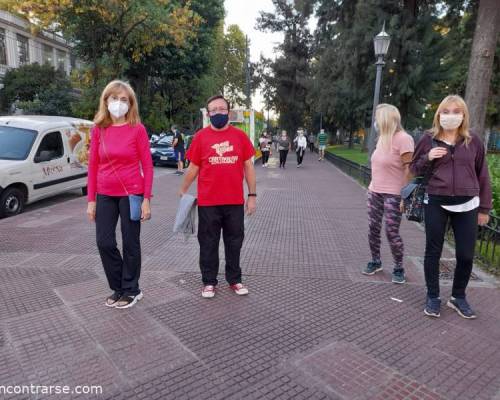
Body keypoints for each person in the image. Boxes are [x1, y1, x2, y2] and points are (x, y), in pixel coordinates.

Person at [410, 95, 492, 319]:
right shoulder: (428, 138)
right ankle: (433, 296)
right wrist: (428, 157)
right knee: (433, 252)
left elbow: (482, 174)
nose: (451, 115)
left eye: (456, 111)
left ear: (463, 114)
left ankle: (458, 296)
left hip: (468, 204)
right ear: (439, 114)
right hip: (436, 201)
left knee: (466, 255)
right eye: (446, 111)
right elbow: (414, 168)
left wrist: (484, 208)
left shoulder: (472, 140)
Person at [180, 95, 257, 298]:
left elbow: (248, 166)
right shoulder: (200, 137)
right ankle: (209, 282)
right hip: (208, 203)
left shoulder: (240, 137)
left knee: (234, 242)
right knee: (208, 243)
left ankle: (235, 279)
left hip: (234, 202)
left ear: (229, 112)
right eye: (213, 110)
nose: (217, 113)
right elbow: (193, 167)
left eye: (221, 109)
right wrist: (183, 190)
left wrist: (252, 196)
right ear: (208, 114)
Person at [86, 80, 153, 309]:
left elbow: (148, 165)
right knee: (104, 241)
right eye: (114, 98)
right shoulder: (99, 130)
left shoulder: (137, 129)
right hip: (105, 193)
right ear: (106, 101)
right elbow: (92, 165)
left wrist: (146, 199)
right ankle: (119, 287)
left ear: (130, 104)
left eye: (124, 99)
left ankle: (132, 289)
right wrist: (91, 200)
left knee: (131, 242)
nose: (118, 103)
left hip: (132, 193)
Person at [363, 104, 414, 284]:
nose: (375, 122)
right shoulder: (381, 138)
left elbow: (409, 169)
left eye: (378, 118)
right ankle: (375, 261)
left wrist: (405, 196)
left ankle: (399, 267)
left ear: (386, 119)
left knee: (391, 231)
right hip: (375, 191)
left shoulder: (404, 139)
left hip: (394, 194)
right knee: (373, 229)